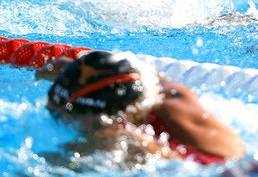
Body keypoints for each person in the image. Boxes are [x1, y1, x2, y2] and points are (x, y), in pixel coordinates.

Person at [36, 50, 245, 165]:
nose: (61, 118)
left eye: (60, 115)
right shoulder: (169, 93)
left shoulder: (118, 136)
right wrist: (75, 69)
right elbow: (121, 74)